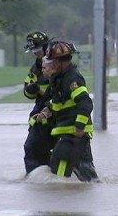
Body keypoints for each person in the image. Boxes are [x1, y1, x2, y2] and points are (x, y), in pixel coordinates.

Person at [44, 40, 99, 182]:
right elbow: (60, 101)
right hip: (68, 131)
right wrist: (47, 110)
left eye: (54, 61)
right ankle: (91, 192)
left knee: (60, 165)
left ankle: (62, 199)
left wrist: (79, 127)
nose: (52, 65)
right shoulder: (60, 78)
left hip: (73, 131)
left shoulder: (72, 79)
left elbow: (85, 103)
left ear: (62, 61)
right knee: (85, 170)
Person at [22, 31, 55, 175]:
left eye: (38, 50)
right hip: (40, 111)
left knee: (61, 151)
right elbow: (28, 92)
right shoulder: (35, 68)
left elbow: (59, 91)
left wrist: (40, 90)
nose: (36, 54)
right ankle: (35, 178)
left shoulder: (57, 64)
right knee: (31, 148)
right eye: (33, 51)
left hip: (56, 112)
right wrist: (31, 89)